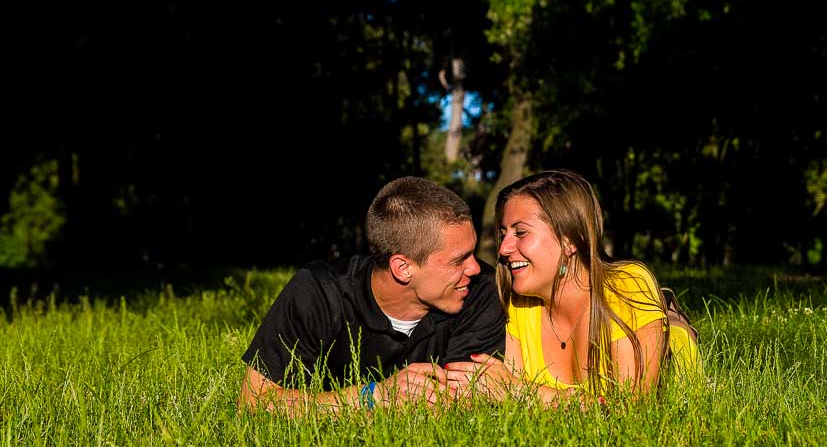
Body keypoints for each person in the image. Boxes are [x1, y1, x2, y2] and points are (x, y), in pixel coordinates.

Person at [239, 176, 505, 414]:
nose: (474, 267)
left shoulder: (480, 290)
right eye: (458, 260)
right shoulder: (319, 292)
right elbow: (254, 402)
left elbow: (462, 404)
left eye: (473, 253)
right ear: (402, 268)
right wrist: (373, 396)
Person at [445, 169, 698, 404]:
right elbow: (515, 408)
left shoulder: (628, 285)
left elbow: (631, 409)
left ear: (569, 240)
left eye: (520, 233)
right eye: (503, 234)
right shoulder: (520, 304)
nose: (503, 249)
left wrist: (518, 390)